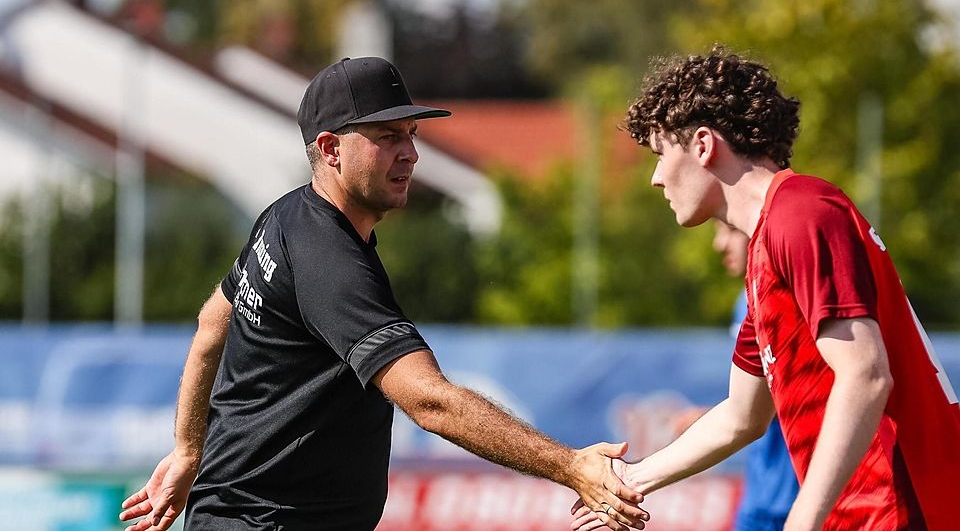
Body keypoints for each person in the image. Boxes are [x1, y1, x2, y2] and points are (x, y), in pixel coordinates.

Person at [118, 57, 648, 531]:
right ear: (330, 148)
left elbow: (214, 323)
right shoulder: (328, 259)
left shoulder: (286, 217)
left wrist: (189, 449)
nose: (411, 153)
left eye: (411, 133)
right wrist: (572, 466)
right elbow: (429, 400)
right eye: (388, 136)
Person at [572, 48, 960, 530]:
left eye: (660, 154)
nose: (655, 178)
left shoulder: (801, 212)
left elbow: (865, 376)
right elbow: (742, 415)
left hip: (899, 511)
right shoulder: (768, 246)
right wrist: (628, 482)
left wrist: (802, 520)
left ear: (702, 144)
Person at [671, 221, 799, 531]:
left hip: (798, 499)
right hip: (760, 498)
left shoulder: (782, 293)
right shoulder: (744, 299)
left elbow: (803, 392)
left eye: (728, 229)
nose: (719, 243)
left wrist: (719, 417)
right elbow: (767, 393)